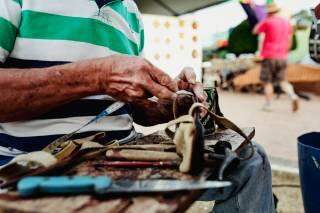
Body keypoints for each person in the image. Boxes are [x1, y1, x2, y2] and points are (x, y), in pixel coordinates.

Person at [0, 0, 275, 212]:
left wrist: (171, 103)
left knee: (249, 161)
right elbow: (107, 79)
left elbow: (128, 106)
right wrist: (97, 77)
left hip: (122, 154)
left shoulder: (129, 10)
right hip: (38, 162)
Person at [253, 3, 299, 112]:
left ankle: (268, 105)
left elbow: (255, 31)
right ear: (277, 11)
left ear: (268, 12)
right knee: (283, 80)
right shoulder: (286, 23)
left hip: (269, 55)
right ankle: (293, 96)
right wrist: (285, 52)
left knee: (267, 81)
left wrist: (263, 20)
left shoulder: (267, 21)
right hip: (282, 56)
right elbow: (290, 41)